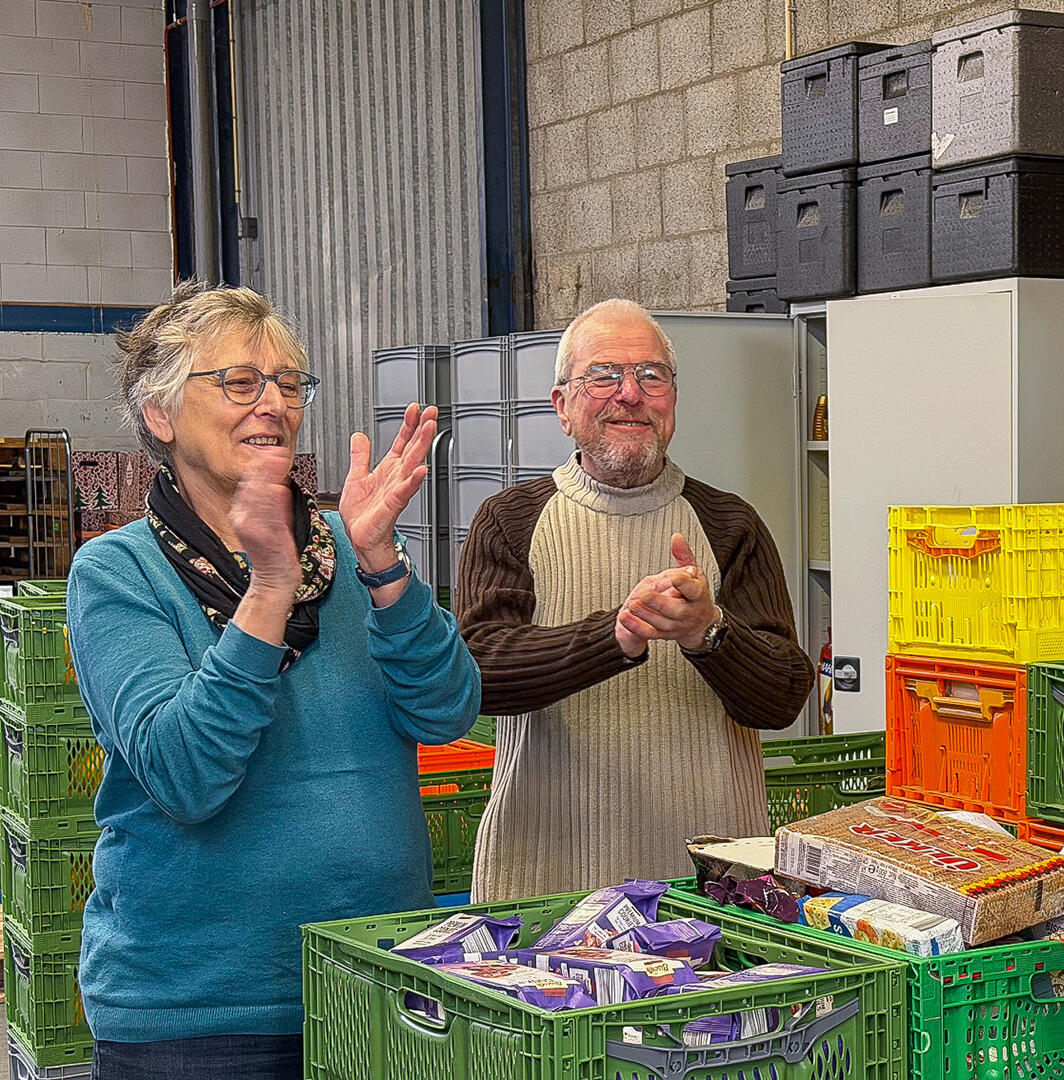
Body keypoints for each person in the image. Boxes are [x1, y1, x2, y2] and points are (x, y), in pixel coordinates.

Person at [65, 281, 482, 1079]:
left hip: (376, 981)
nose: (274, 404)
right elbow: (185, 775)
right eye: (238, 382)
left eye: (289, 384)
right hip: (200, 1017)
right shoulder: (119, 574)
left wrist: (384, 566)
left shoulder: (347, 544)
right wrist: (267, 588)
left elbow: (447, 710)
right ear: (160, 414)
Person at [457, 298, 812, 899]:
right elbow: (476, 677)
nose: (630, 394)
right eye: (604, 375)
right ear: (561, 408)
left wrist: (709, 633)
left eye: (651, 375)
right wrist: (614, 638)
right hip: (546, 878)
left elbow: (782, 700)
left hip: (711, 887)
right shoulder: (508, 522)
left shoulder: (730, 524)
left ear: (673, 401)